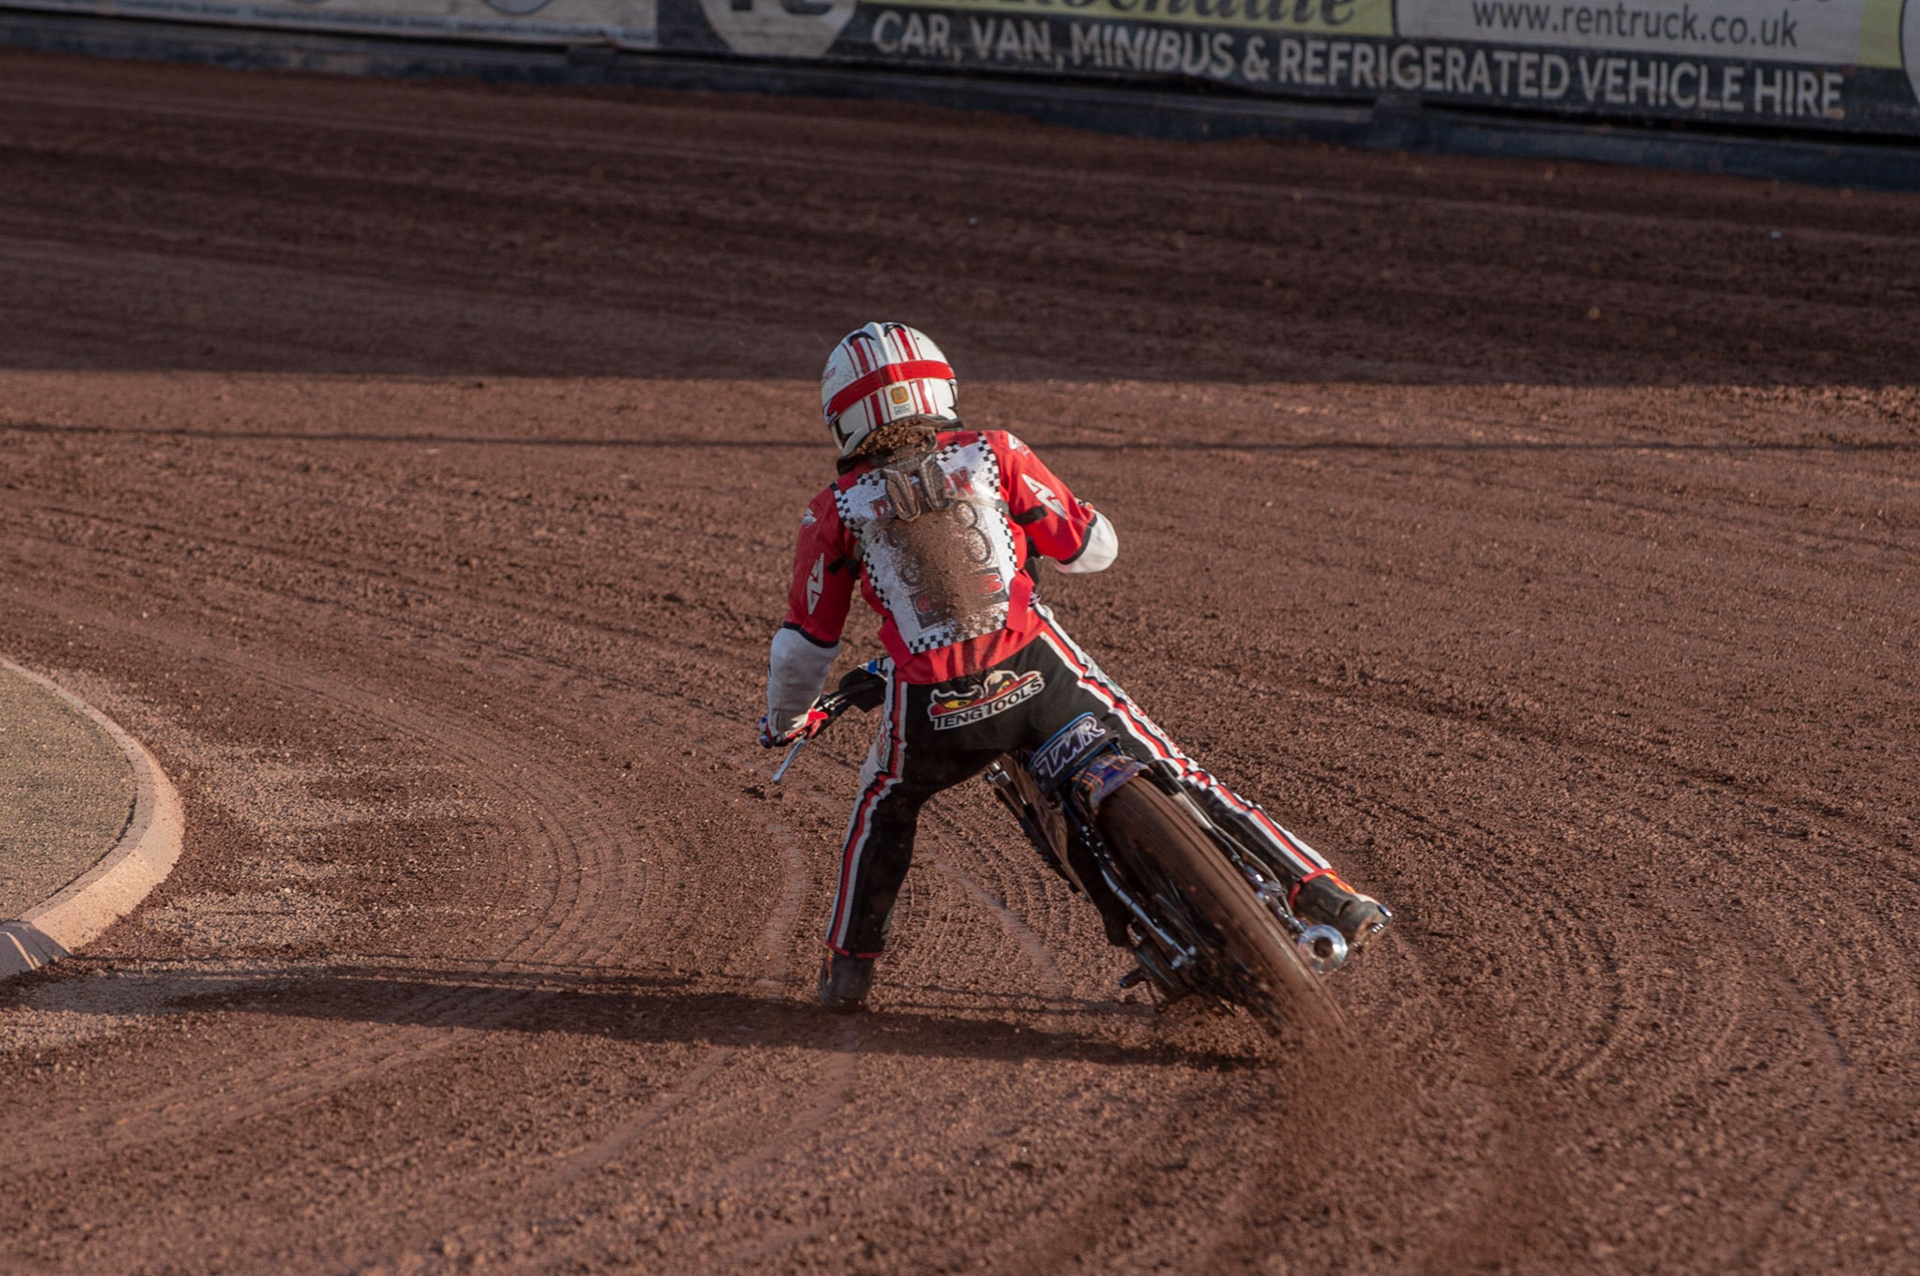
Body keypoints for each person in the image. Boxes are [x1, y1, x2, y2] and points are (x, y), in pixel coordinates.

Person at [761, 322, 1390, 1012]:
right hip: (1040, 672)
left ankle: (848, 972)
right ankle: (1325, 892)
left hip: (934, 708)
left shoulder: (832, 512)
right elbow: (1093, 549)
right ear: (941, 388)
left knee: (884, 808)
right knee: (1178, 769)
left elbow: (803, 644)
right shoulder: (992, 452)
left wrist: (785, 720)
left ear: (841, 418)